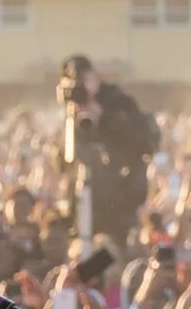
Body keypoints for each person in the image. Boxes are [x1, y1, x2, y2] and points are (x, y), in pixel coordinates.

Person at [58, 55, 159, 244]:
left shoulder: (118, 103)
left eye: (83, 81)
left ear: (95, 77)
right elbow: (65, 162)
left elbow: (145, 141)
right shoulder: (72, 116)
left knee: (109, 260)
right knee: (87, 267)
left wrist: (105, 118)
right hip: (84, 213)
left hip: (119, 207)